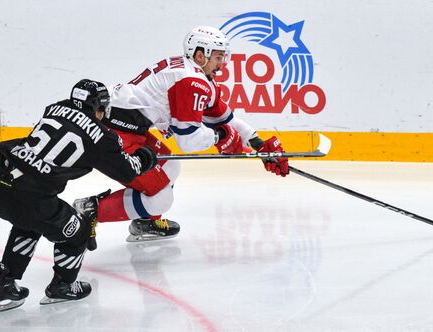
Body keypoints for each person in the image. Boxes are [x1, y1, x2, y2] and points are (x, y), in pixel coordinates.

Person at [95, 26, 289, 242]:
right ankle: (90, 213)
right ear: (200, 55)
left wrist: (259, 144)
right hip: (110, 135)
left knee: (170, 165)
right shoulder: (190, 81)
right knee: (161, 199)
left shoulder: (197, 75)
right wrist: (219, 137)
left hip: (129, 128)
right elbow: (187, 140)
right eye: (218, 57)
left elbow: (225, 119)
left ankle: (145, 221)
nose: (222, 64)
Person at [0, 79, 158, 314]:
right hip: (30, 196)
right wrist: (146, 156)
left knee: (28, 223)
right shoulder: (102, 137)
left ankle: (4, 285)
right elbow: (127, 170)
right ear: (98, 106)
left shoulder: (55, 107)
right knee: (80, 230)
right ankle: (63, 286)